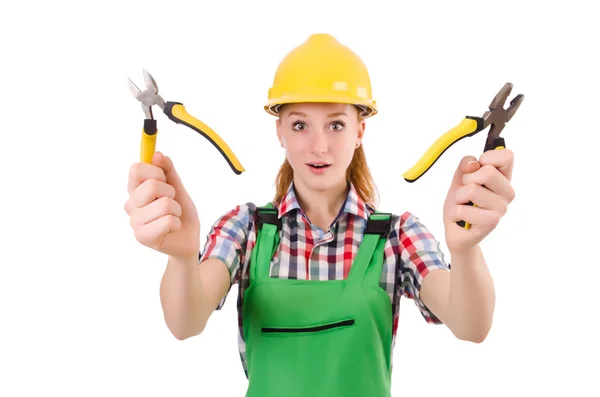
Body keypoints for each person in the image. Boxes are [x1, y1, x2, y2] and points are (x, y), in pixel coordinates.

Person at [124, 33, 516, 396]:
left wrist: (464, 249)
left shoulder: (398, 235)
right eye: (300, 125)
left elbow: (472, 326)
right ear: (280, 131)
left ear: (360, 131)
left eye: (336, 124)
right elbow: (185, 323)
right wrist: (181, 254)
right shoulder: (246, 229)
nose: (320, 146)